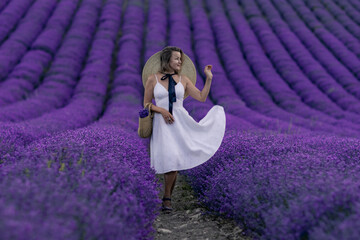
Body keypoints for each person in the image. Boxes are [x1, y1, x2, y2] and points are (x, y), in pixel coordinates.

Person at [142, 46, 226, 213]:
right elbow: (146, 104)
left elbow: (201, 97)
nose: (180, 61)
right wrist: (162, 110)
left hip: (180, 122)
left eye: (180, 59)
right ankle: (167, 199)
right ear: (167, 60)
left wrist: (208, 79)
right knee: (170, 159)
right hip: (162, 123)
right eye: (176, 58)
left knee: (174, 160)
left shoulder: (184, 80)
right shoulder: (153, 79)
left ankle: (167, 199)